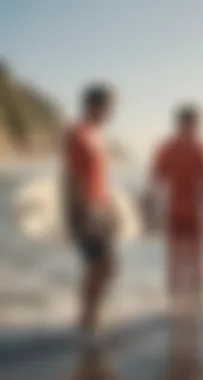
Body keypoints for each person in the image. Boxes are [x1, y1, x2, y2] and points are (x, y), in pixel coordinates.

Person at [62, 84, 118, 344]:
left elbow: (99, 179)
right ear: (95, 105)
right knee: (105, 265)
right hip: (85, 210)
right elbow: (72, 177)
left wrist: (110, 208)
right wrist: (80, 214)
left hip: (99, 209)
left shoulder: (97, 135)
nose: (112, 111)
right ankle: (89, 319)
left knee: (100, 266)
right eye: (109, 106)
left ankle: (87, 317)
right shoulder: (78, 134)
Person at [149, 104, 203, 313]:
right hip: (194, 210)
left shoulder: (167, 147)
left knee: (176, 258)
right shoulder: (200, 147)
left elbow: (157, 179)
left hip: (175, 209)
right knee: (195, 258)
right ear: (193, 123)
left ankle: (174, 303)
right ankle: (195, 302)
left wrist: (154, 210)